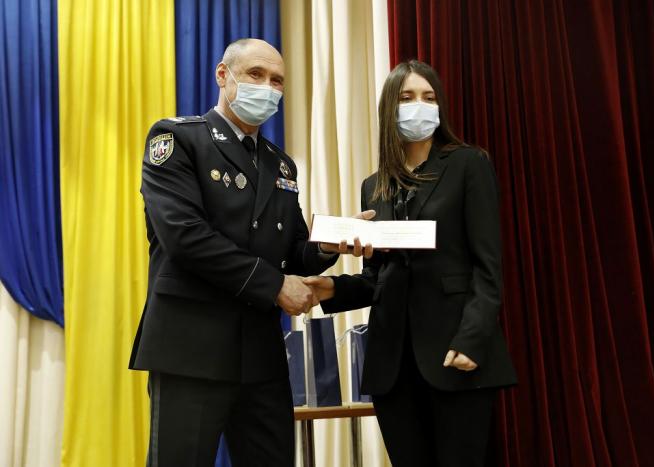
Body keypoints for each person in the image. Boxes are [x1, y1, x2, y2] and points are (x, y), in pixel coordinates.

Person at [129, 38, 372, 467]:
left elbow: (292, 250)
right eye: (256, 74)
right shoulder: (177, 139)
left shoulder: (280, 164)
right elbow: (185, 237)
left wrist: (328, 245)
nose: (268, 87)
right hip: (191, 346)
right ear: (223, 76)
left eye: (277, 81)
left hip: (260, 352)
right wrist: (275, 285)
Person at [304, 60, 518, 467]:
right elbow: (378, 279)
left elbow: (488, 268)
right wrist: (331, 289)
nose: (419, 105)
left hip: (455, 352)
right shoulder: (374, 186)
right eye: (406, 97)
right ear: (390, 108)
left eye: (428, 97)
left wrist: (471, 339)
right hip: (393, 366)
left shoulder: (468, 164)